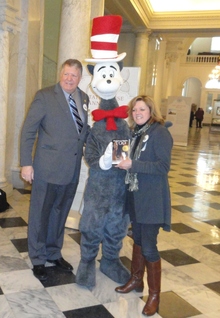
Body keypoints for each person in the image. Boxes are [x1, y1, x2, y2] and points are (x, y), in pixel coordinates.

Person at [20, 59, 90, 281]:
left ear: (80, 78)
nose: (70, 79)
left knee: (60, 213)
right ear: (61, 74)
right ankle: (38, 258)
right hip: (47, 168)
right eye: (67, 74)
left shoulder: (84, 98)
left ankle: (53, 252)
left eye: (74, 75)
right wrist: (26, 163)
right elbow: (28, 131)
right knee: (41, 213)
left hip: (72, 169)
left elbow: (81, 132)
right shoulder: (45, 96)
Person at [115, 95, 173, 316]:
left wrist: (133, 164)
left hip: (152, 199)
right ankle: (136, 280)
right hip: (136, 197)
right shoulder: (136, 133)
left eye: (141, 109)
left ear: (151, 111)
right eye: (134, 110)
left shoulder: (160, 132)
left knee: (149, 246)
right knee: (138, 240)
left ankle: (155, 295)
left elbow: (162, 166)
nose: (137, 113)